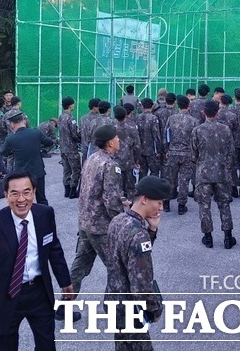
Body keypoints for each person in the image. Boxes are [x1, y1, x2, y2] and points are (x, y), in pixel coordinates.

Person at [0, 170, 76, 351]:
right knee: (6, 345)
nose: (21, 199)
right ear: (6, 195)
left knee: (47, 345)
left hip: (39, 292)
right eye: (14, 193)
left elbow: (54, 248)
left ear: (34, 192)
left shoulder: (45, 214)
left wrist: (65, 281)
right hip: (5, 295)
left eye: (26, 192)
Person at [105, 176, 169, 351]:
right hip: (131, 311)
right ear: (144, 199)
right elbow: (141, 284)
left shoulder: (118, 220)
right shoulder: (138, 234)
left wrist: (152, 230)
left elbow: (131, 258)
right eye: (159, 202)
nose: (161, 208)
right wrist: (154, 309)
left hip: (113, 302)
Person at [69, 124, 124, 299]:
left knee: (80, 265)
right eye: (116, 138)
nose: (119, 140)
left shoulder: (92, 158)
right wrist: (121, 222)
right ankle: (115, 308)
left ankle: (64, 305)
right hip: (101, 227)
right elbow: (111, 201)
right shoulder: (110, 165)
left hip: (85, 222)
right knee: (117, 268)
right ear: (110, 143)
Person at [191, 100, 236, 249]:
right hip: (222, 173)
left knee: (204, 206)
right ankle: (228, 238)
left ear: (204, 112)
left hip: (203, 174)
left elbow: (193, 154)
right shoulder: (225, 129)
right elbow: (231, 152)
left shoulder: (197, 130)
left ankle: (208, 237)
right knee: (224, 205)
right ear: (217, 113)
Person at [1, 110, 54, 205]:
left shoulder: (11, 139)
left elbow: (4, 153)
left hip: (22, 174)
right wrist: (39, 147)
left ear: (12, 125)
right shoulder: (36, 133)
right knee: (41, 198)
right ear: (24, 121)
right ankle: (44, 217)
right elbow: (50, 142)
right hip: (38, 171)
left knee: (23, 199)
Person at [163, 95, 199, 214]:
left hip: (172, 152)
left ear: (178, 105)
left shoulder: (171, 118)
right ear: (188, 106)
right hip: (187, 154)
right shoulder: (194, 121)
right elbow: (196, 140)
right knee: (184, 180)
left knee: (169, 179)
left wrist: (167, 150)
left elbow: (166, 136)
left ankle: (166, 203)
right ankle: (181, 205)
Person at [113, 105, 141, 200]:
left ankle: (118, 205)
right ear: (125, 115)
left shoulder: (111, 128)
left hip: (114, 161)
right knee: (130, 186)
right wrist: (136, 160)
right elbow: (137, 146)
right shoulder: (132, 128)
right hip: (129, 160)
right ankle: (132, 204)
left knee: (116, 185)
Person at [57, 97, 81, 198]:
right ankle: (72, 191)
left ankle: (66, 190)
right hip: (71, 148)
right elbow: (74, 134)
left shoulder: (61, 117)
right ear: (70, 105)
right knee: (76, 169)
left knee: (66, 169)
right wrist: (80, 138)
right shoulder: (71, 118)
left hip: (63, 148)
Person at [135, 98, 162, 180]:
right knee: (154, 172)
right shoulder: (153, 118)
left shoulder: (137, 118)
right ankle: (153, 191)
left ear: (142, 107)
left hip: (140, 150)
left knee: (142, 173)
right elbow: (156, 135)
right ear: (152, 106)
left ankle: (141, 191)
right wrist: (159, 150)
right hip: (151, 151)